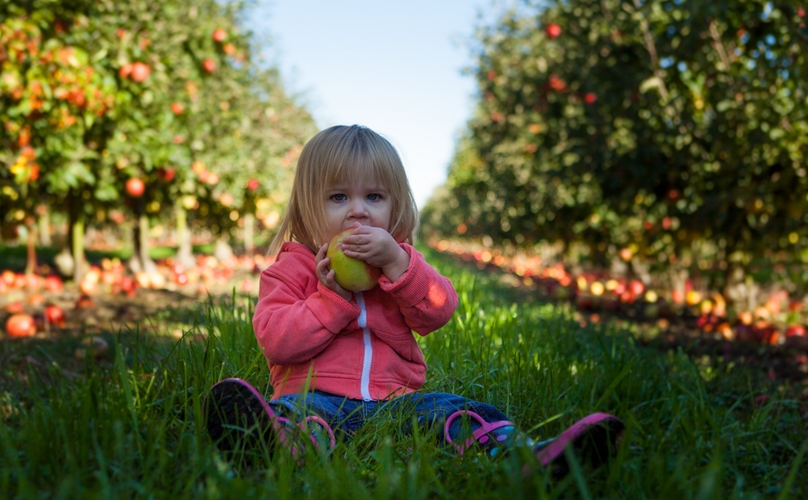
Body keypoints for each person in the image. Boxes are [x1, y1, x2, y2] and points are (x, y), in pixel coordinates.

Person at [203, 124, 624, 477]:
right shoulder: (289, 271)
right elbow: (277, 341)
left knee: (458, 411)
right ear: (306, 205)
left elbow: (438, 311)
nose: (358, 212)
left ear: (394, 204)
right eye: (338, 197)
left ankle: (528, 456)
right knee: (296, 415)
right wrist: (331, 300)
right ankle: (274, 444)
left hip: (397, 401)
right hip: (314, 395)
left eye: (374, 197)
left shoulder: (400, 264)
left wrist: (398, 265)